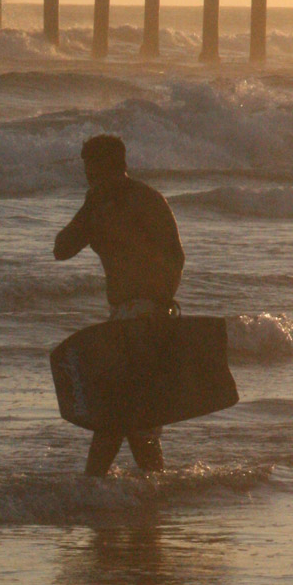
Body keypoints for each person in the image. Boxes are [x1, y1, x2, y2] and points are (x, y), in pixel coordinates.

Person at [53, 133, 185, 476]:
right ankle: (151, 493)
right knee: (135, 419)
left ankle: (95, 493)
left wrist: (156, 312)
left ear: (107, 165)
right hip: (127, 318)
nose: (87, 173)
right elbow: (62, 249)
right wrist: (89, 209)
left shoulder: (143, 201)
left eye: (90, 165)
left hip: (146, 316)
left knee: (117, 414)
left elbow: (173, 258)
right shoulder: (108, 206)